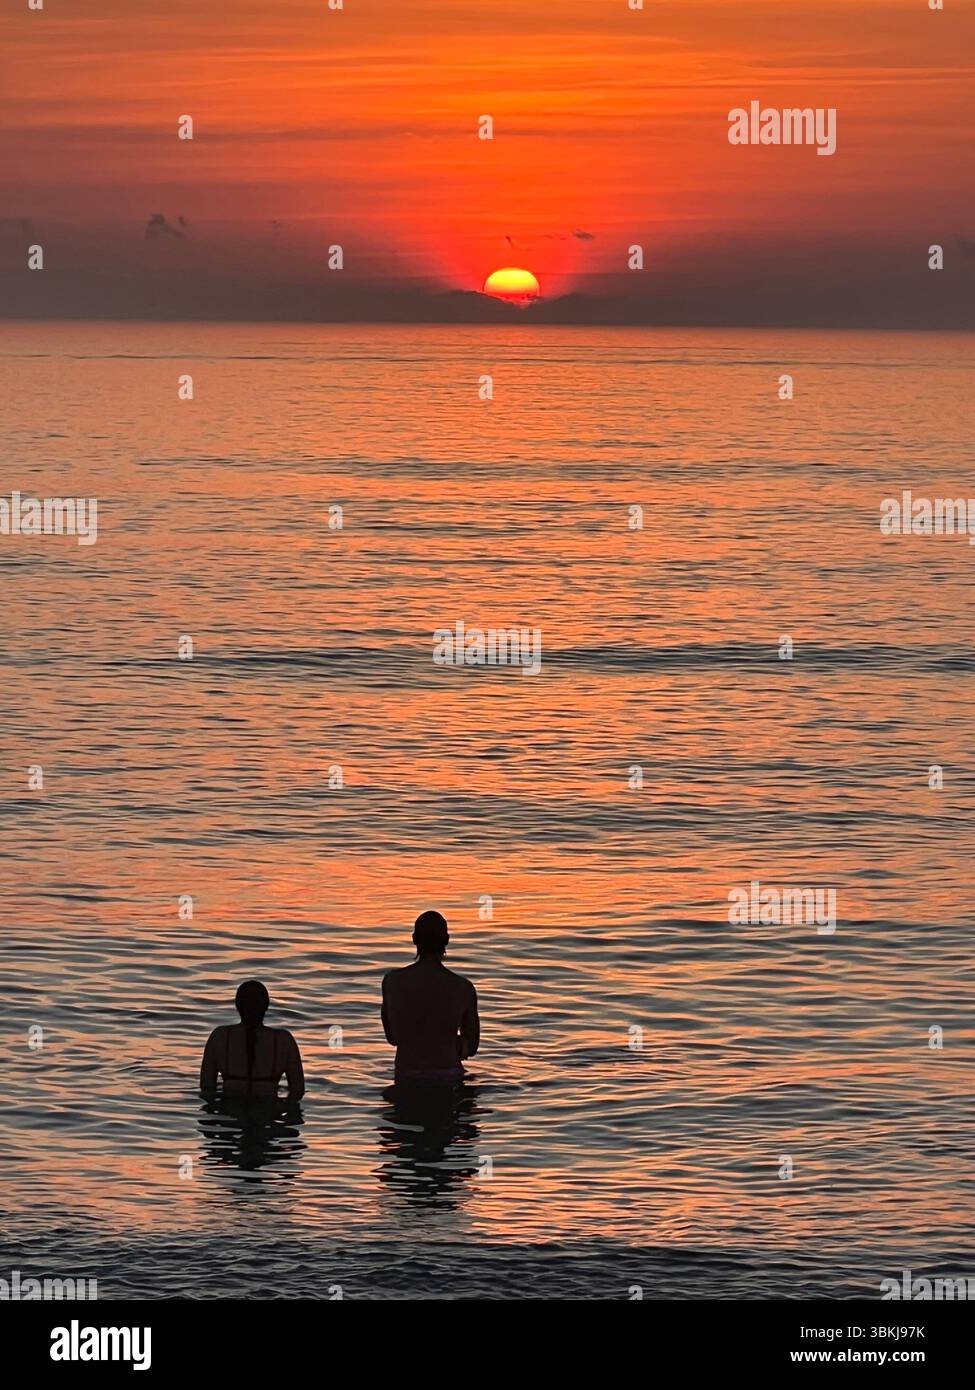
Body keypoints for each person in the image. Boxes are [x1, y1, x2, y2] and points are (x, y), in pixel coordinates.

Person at [381, 911, 480, 1083]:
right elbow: (471, 1046)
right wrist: (448, 1042)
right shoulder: (463, 988)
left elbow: (393, 1038)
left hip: (406, 1075)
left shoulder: (392, 982)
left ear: (414, 939)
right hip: (448, 1075)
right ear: (447, 940)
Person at [200, 980, 305, 1101]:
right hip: (268, 1113)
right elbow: (297, 1091)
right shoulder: (284, 1041)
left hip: (230, 1113)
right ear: (266, 1006)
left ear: (237, 1005)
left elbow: (206, 1089)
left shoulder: (220, 1037)